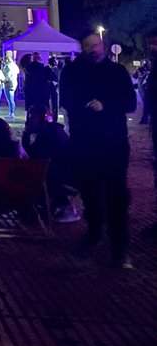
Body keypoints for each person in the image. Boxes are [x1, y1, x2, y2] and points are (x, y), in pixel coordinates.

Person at [60, 30, 137, 267]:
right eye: (87, 46)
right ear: (81, 48)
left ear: (102, 46)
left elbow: (130, 103)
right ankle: (94, 232)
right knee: (90, 193)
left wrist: (106, 105)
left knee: (116, 195)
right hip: (84, 143)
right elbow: (66, 101)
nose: (92, 50)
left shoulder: (117, 72)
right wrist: (84, 108)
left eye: (95, 45)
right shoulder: (72, 72)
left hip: (113, 143)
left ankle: (119, 246)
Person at [21, 105, 79, 221]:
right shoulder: (51, 131)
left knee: (36, 176)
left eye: (34, 118)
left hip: (65, 177)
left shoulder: (49, 135)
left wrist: (26, 136)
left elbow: (34, 158)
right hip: (64, 173)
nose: (31, 121)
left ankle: (64, 205)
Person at [1, 52, 19, 119]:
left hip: (8, 84)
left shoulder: (7, 67)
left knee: (10, 99)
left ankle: (11, 113)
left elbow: (7, 76)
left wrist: (3, 80)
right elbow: (18, 72)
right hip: (14, 83)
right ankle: (11, 112)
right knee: (11, 99)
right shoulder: (14, 66)